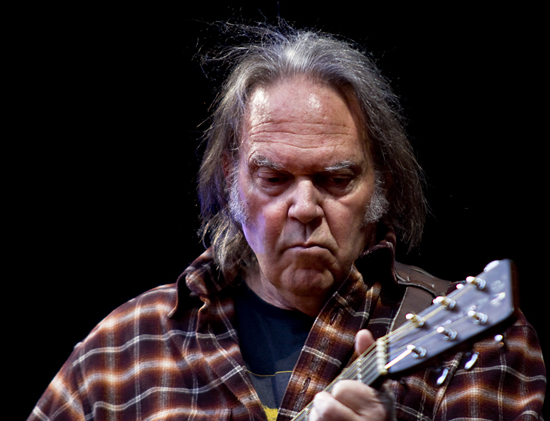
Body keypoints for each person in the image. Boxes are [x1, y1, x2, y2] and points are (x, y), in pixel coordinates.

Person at [28, 23, 546, 420]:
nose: (304, 207)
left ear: (379, 185)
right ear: (231, 179)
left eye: (336, 179)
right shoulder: (123, 348)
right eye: (274, 178)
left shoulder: (474, 342)